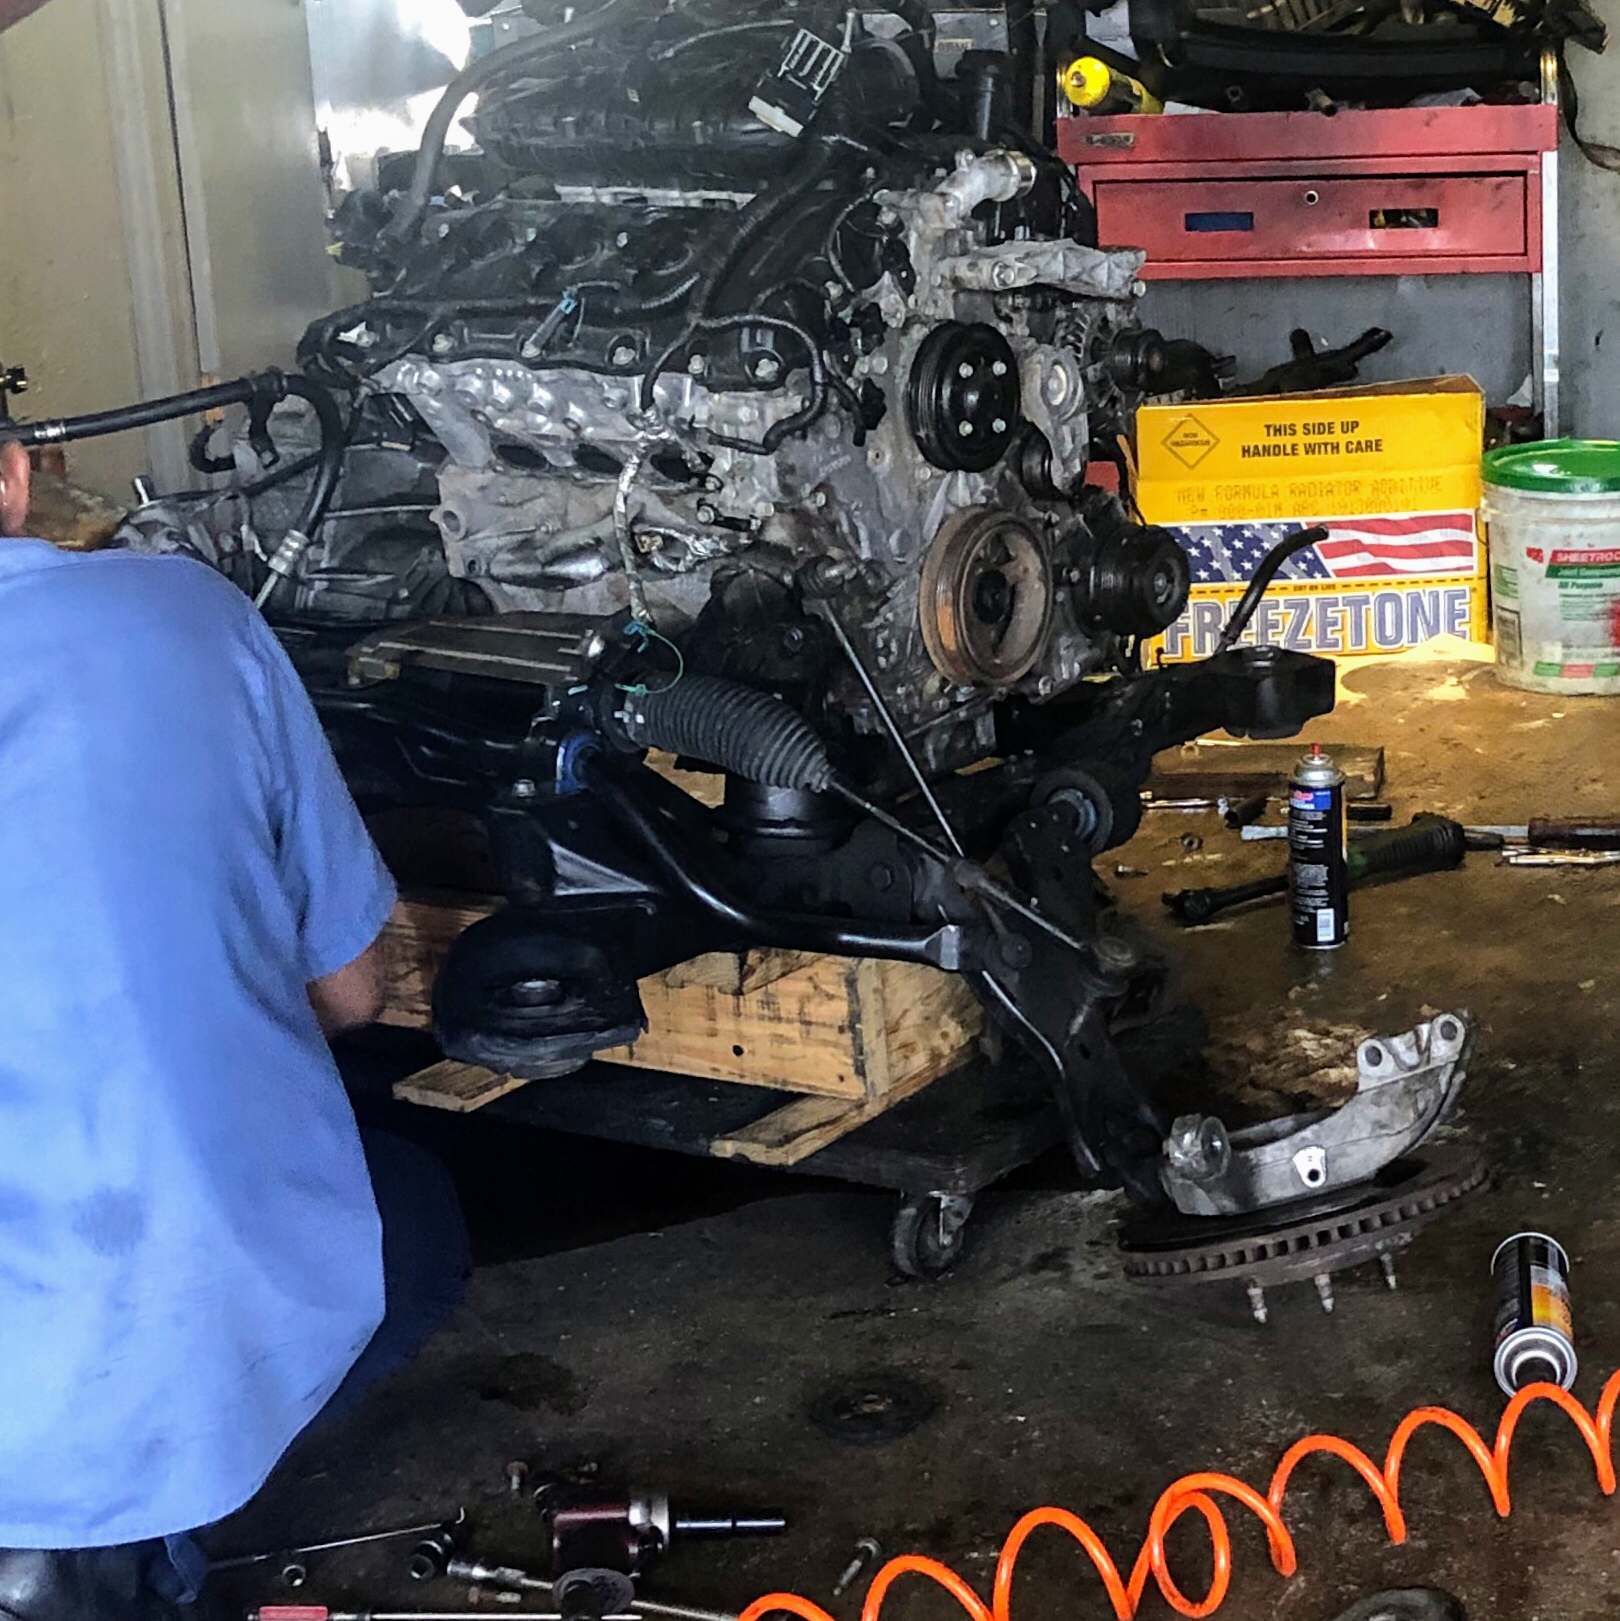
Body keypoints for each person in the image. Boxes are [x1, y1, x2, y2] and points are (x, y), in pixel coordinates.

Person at [0, 440, 468, 1621]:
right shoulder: (187, 615)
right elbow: (353, 991)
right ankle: (121, 1542)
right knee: (412, 1218)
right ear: (11, 476)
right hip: (73, 1380)